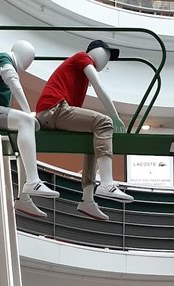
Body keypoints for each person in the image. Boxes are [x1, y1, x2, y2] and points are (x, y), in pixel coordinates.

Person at [36, 40, 134, 221]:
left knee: (94, 136)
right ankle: (106, 183)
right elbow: (99, 87)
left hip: (52, 112)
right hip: (53, 109)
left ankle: (88, 200)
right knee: (104, 123)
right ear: (95, 51)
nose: (107, 59)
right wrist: (114, 116)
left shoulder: (79, 75)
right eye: (107, 54)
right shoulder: (82, 57)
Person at [0, 40, 58, 219]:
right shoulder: (3, 58)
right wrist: (27, 112)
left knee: (25, 131)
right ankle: (33, 181)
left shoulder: (3, 83)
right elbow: (12, 79)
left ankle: (24, 197)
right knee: (25, 122)